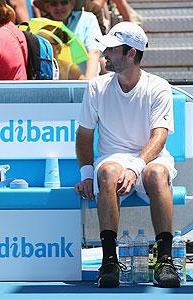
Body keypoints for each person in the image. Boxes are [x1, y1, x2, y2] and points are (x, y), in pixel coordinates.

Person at [74, 22, 181, 288]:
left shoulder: (158, 86)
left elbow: (159, 136)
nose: (104, 53)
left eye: (111, 48)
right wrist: (87, 173)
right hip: (113, 160)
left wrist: (135, 167)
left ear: (131, 53)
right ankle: (109, 261)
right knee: (108, 172)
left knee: (156, 174)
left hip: (149, 160)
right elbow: (84, 136)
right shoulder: (96, 87)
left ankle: (165, 261)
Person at [34, 0, 103, 80]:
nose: (59, 7)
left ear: (72, 4)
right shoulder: (43, 27)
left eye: (64, 2)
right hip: (55, 82)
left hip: (84, 80)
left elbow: (94, 52)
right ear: (47, 7)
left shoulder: (87, 19)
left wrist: (88, 83)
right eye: (54, 3)